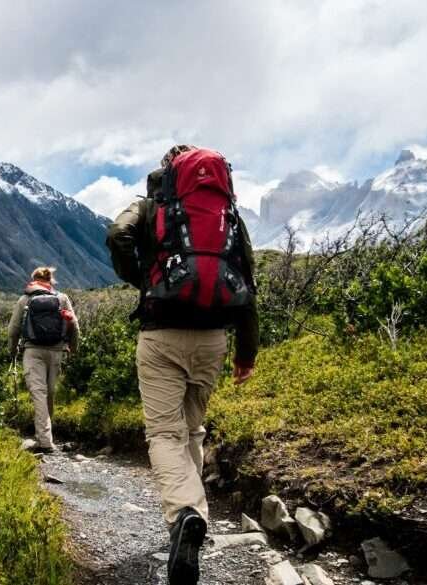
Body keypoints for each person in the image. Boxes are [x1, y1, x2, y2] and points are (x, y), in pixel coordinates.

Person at [106, 145, 259, 585]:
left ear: (168, 172)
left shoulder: (153, 206)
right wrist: (246, 353)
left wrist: (143, 278)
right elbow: (247, 280)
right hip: (213, 338)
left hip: (161, 334)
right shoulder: (227, 215)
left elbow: (117, 235)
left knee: (163, 433)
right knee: (192, 428)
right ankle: (195, 514)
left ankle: (186, 514)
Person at [7, 266, 80, 454]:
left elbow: (13, 330)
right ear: (51, 280)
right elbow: (74, 325)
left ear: (33, 279)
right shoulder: (61, 298)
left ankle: (45, 441)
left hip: (32, 351)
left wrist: (13, 352)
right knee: (50, 393)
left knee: (38, 393)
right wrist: (72, 348)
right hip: (56, 351)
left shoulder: (25, 299)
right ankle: (46, 436)